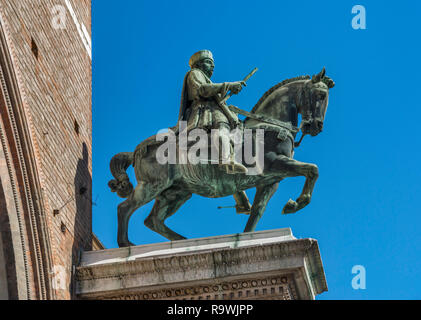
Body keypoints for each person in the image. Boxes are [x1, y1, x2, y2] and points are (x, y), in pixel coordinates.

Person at [178, 49, 248, 174]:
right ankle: (225, 161)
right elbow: (203, 90)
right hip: (204, 111)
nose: (213, 66)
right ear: (198, 65)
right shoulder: (194, 73)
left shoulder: (206, 78)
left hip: (213, 109)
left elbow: (213, 92)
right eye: (208, 62)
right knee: (222, 127)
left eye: (213, 63)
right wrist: (228, 85)